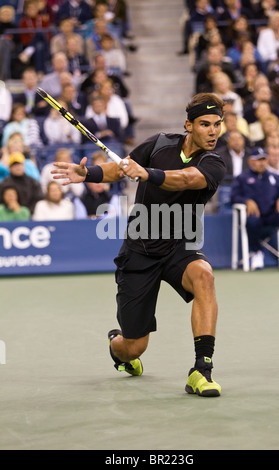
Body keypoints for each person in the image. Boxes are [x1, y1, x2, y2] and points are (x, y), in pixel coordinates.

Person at [51, 92, 227, 397]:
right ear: (189, 125)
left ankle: (202, 369)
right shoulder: (159, 143)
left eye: (217, 124)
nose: (213, 131)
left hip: (179, 246)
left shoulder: (214, 163)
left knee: (204, 276)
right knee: (133, 348)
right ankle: (116, 344)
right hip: (140, 250)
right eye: (205, 124)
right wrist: (88, 173)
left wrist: (147, 174)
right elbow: (121, 168)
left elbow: (186, 179)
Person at [231, 147, 279, 271]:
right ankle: (257, 253)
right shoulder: (242, 178)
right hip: (254, 215)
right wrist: (246, 201)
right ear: (251, 161)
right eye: (258, 160)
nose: (262, 163)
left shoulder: (275, 177)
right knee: (252, 220)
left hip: (272, 214)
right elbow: (234, 196)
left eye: (264, 159)